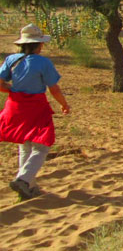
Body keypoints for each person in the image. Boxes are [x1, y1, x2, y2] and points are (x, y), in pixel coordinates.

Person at [0, 24, 70, 200]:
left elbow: (0, 82)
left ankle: (28, 187)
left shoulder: (11, 60)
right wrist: (64, 104)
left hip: (15, 106)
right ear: (39, 44)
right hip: (36, 107)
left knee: (24, 144)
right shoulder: (43, 62)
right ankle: (23, 180)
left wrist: (12, 89)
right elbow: (53, 88)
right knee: (42, 145)